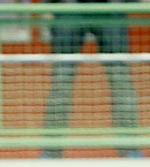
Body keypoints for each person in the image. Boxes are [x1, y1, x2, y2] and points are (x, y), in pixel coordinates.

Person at [41, 0, 140, 158]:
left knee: (120, 77)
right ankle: (51, 150)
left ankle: (130, 148)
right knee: (61, 78)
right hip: (68, 8)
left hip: (110, 9)